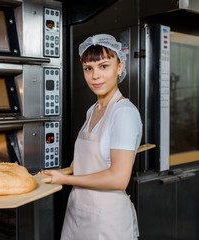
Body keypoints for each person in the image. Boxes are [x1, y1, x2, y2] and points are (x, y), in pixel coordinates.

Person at [41, 34, 142, 240]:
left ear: (120, 67)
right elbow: (89, 161)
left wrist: (65, 179)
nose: (95, 75)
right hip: (78, 211)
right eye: (89, 68)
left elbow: (119, 178)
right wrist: (64, 170)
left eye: (104, 66)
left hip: (106, 220)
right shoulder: (93, 110)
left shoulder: (124, 113)